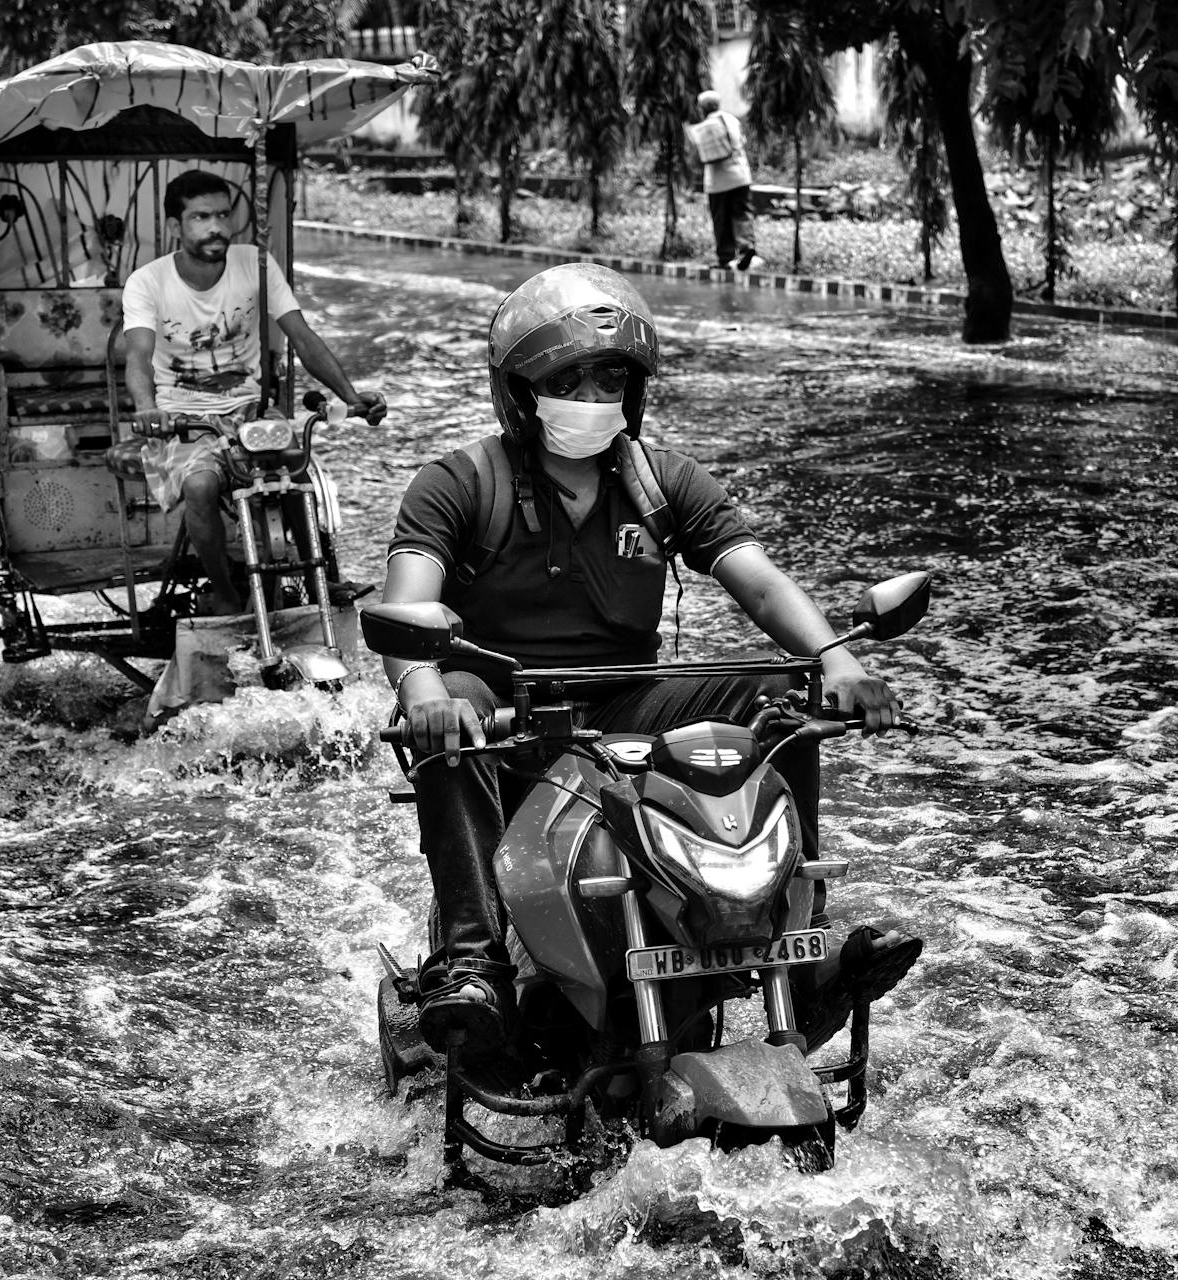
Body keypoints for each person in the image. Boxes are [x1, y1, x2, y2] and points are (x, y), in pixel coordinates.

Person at [382, 262, 919, 1061]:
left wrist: (835, 662)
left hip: (626, 709)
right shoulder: (457, 483)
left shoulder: (664, 480)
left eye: (611, 376)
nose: (594, 393)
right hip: (507, 717)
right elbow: (406, 607)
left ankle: (801, 948)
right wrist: (424, 686)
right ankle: (473, 964)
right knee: (446, 710)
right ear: (519, 390)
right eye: (572, 376)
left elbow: (762, 585)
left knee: (783, 696)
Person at [123, 168, 384, 616]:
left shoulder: (256, 264)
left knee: (297, 469)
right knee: (201, 486)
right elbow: (138, 357)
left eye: (223, 215)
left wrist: (352, 396)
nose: (216, 228)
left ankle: (323, 580)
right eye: (201, 217)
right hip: (184, 419)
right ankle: (224, 596)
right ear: (174, 226)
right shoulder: (147, 282)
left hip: (250, 411)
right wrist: (148, 409)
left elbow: (302, 337)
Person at [688, 90, 757, 271]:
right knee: (741, 212)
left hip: (717, 182)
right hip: (740, 176)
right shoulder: (731, 120)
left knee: (721, 219)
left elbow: (697, 157)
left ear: (702, 108)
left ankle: (725, 259)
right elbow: (742, 142)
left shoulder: (703, 128)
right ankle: (746, 247)